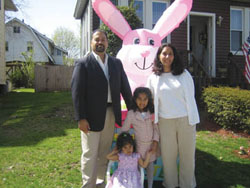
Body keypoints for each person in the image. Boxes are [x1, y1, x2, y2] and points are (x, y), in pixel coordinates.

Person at [71, 29, 132, 188]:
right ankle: (88, 184)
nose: (100, 42)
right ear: (91, 42)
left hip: (111, 114)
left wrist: (134, 108)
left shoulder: (116, 63)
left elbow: (125, 88)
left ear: (107, 42)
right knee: (90, 153)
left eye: (103, 40)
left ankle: (100, 183)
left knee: (104, 153)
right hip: (90, 117)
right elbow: (77, 93)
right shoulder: (83, 63)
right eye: (97, 39)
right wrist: (81, 118)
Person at [147, 43, 200, 188]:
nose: (167, 57)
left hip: (185, 120)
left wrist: (192, 119)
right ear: (159, 56)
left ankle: (187, 184)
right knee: (168, 157)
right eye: (164, 53)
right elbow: (150, 100)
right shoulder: (153, 77)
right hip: (165, 122)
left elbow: (191, 96)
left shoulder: (184, 74)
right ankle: (170, 184)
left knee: (187, 157)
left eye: (170, 54)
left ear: (174, 56)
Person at [121, 87, 159, 188]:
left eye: (145, 99)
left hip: (150, 147)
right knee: (137, 169)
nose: (142, 102)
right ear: (135, 99)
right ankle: (138, 185)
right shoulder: (131, 114)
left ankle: (150, 185)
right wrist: (125, 143)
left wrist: (155, 144)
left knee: (150, 168)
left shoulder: (151, 113)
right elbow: (124, 130)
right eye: (139, 99)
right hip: (138, 147)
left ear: (149, 100)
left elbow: (156, 129)